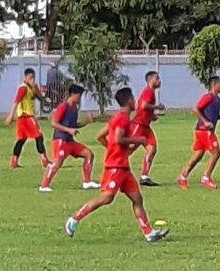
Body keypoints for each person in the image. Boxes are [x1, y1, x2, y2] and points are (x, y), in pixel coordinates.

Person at [63, 87, 168, 243]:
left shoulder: (119, 117)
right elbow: (118, 138)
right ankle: (74, 219)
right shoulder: (123, 118)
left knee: (137, 198)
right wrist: (137, 141)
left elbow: (100, 136)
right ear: (129, 101)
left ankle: (148, 233)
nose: (135, 102)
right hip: (115, 167)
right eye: (133, 98)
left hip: (123, 167)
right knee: (106, 198)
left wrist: (113, 149)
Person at [40, 84, 100, 192]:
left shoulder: (74, 108)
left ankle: (87, 182)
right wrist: (68, 130)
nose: (80, 99)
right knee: (57, 162)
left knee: (89, 154)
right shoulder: (63, 106)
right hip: (60, 140)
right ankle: (44, 185)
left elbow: (73, 125)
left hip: (70, 141)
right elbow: (54, 123)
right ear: (72, 94)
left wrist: (86, 122)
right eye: (79, 96)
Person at [177, 76, 220, 190]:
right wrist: (205, 122)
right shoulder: (208, 97)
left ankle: (182, 176)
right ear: (214, 85)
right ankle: (206, 177)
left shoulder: (217, 99)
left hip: (201, 131)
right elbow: (195, 109)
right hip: (204, 131)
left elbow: (212, 117)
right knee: (216, 153)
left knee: (198, 156)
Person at [6, 67, 50, 170]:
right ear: (25, 77)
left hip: (23, 118)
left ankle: (14, 162)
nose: (32, 80)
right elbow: (16, 101)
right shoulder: (23, 88)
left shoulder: (30, 88)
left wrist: (37, 89)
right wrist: (11, 115)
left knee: (21, 140)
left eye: (33, 77)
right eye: (30, 77)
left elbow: (40, 99)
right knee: (39, 137)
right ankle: (45, 161)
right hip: (27, 116)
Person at [133, 71, 165, 186]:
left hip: (146, 127)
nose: (159, 81)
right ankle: (113, 167)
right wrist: (157, 107)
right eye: (157, 78)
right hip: (139, 125)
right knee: (127, 150)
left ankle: (144, 176)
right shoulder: (148, 91)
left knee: (152, 149)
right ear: (150, 80)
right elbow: (143, 106)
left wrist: (153, 116)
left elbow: (145, 108)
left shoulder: (150, 92)